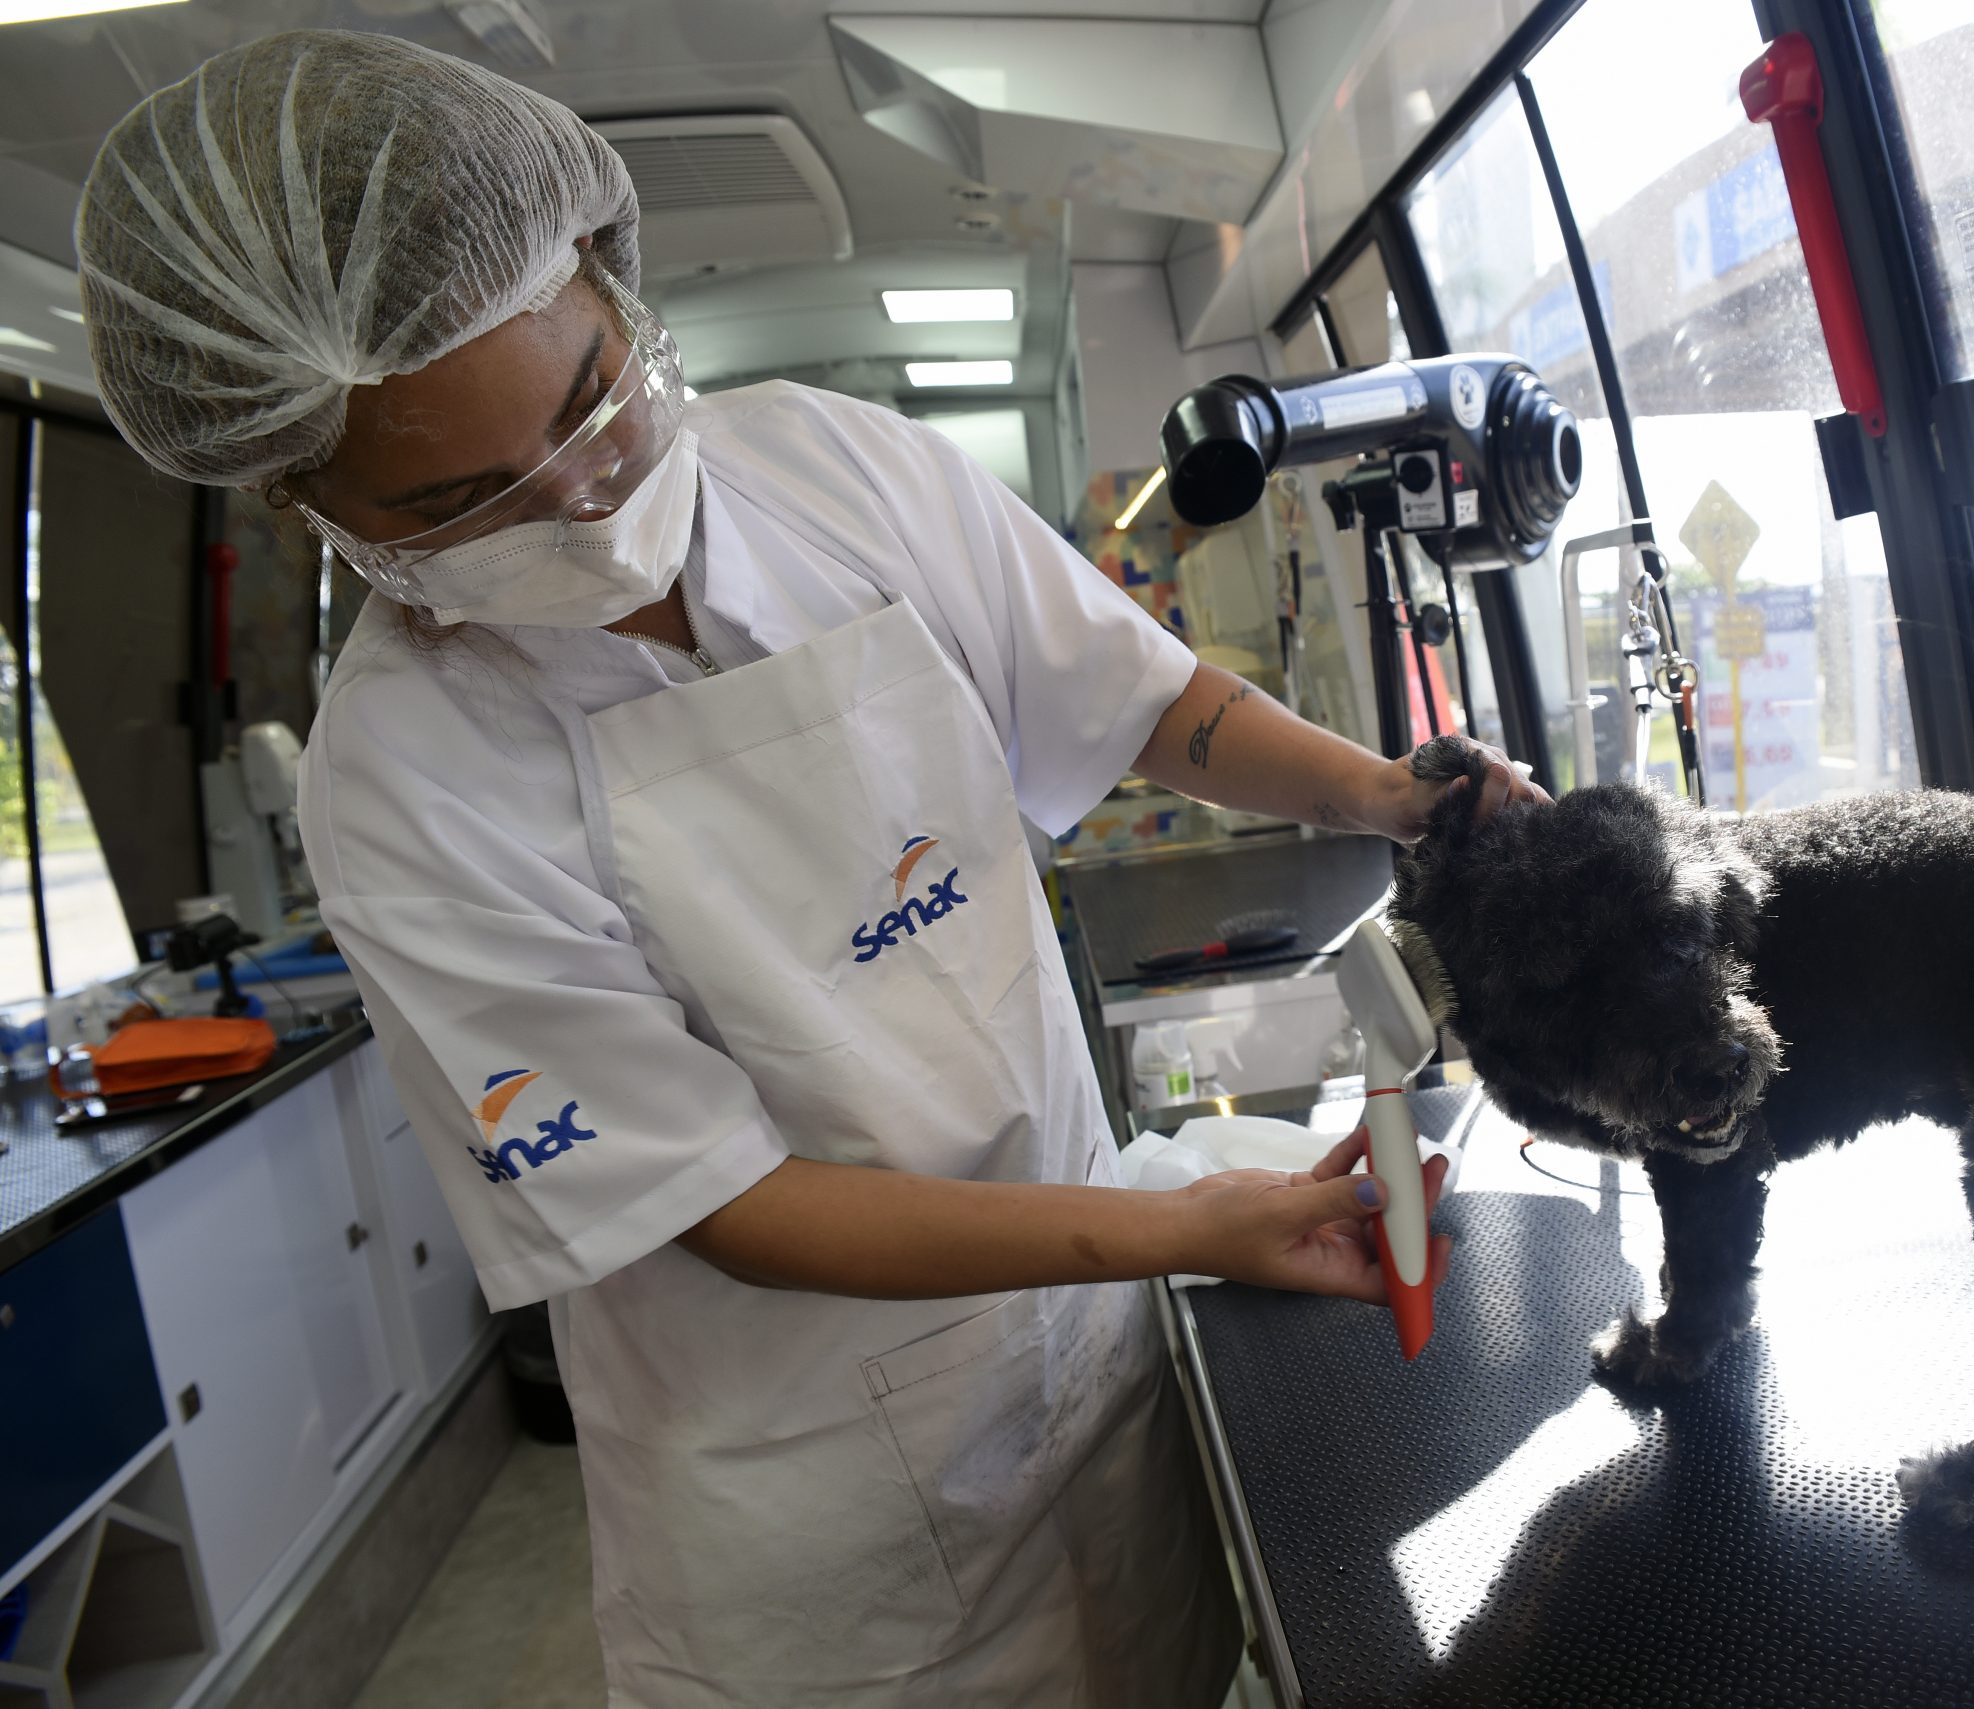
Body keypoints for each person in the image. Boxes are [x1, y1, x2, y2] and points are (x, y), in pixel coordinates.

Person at [75, 32, 1545, 1706]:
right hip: (820, 1524)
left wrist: (1387, 792)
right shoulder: (406, 791)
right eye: (473, 498)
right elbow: (740, 1207)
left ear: (613, 277)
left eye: (596, 399)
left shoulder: (824, 463)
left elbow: (1138, 692)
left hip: (1094, 1377)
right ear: (303, 499)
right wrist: (1185, 1222)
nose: (586, 494)